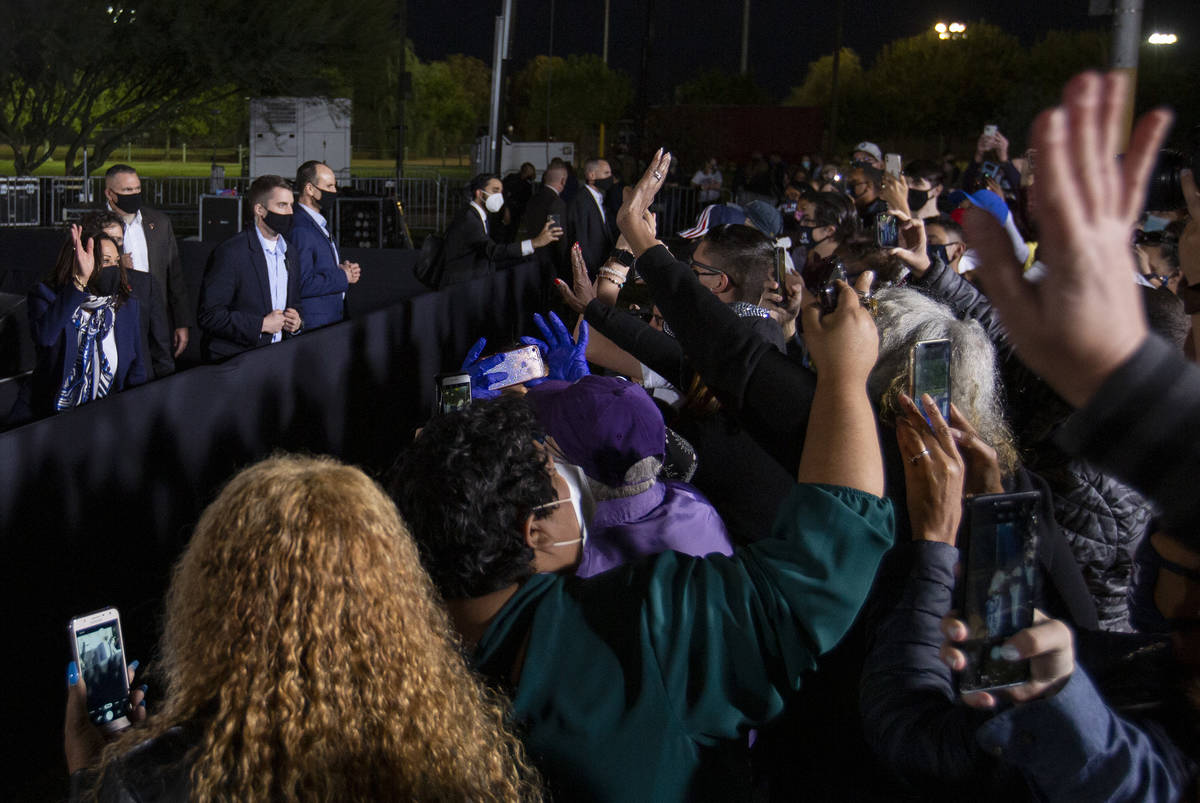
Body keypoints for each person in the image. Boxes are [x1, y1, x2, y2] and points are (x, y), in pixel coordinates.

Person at [391, 237, 893, 801]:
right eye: (560, 478)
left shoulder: (389, 668)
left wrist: (449, 444)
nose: (573, 482)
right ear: (532, 528)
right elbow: (818, 572)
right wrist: (846, 380)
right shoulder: (635, 628)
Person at [63, 455, 539, 800]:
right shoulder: (451, 749)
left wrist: (93, 776)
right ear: (393, 596)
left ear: (212, 604)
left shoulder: (142, 783)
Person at [25, 225, 145, 417]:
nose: (113, 267)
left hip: (109, 416)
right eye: (105, 261)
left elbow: (137, 369)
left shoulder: (126, 305)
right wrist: (80, 281)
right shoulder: (46, 296)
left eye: (115, 261)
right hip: (52, 417)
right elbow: (45, 338)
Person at [197, 175, 303, 360]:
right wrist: (260, 325)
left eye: (291, 205)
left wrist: (297, 322)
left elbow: (294, 304)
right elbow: (210, 316)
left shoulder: (290, 252)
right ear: (260, 209)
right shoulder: (231, 252)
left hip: (278, 358)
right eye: (281, 205)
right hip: (237, 360)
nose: (289, 212)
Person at [102, 164, 192, 360]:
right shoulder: (94, 224)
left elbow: (174, 276)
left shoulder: (159, 222)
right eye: (127, 190)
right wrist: (118, 269)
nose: (134, 194)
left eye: (137, 189)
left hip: (156, 318)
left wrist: (181, 322)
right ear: (110, 193)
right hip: (115, 318)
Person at [83, 210, 175, 379]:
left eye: (118, 240)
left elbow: (160, 344)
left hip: (136, 385)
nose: (114, 246)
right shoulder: (77, 290)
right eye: (107, 239)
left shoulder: (144, 284)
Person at [439, 173, 562, 288]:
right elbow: (493, 252)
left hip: (469, 281)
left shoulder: (478, 215)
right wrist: (534, 243)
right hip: (460, 286)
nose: (499, 196)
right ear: (480, 194)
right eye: (495, 191)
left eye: (501, 192)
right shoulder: (469, 219)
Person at [288, 160, 361, 330]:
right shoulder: (300, 228)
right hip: (315, 326)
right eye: (329, 186)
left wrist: (342, 270)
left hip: (331, 319)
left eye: (334, 186)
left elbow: (316, 268)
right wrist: (343, 277)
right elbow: (302, 283)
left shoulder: (317, 223)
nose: (334, 192)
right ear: (310, 189)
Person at [566, 157, 617, 276]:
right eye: (606, 173)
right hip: (590, 270)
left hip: (601, 267)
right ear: (591, 175)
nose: (610, 177)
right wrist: (589, 271)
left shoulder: (598, 197)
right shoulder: (581, 201)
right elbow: (581, 238)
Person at [521, 163, 569, 280]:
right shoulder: (556, 203)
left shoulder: (533, 198)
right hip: (550, 261)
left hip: (531, 254)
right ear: (563, 181)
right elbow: (556, 235)